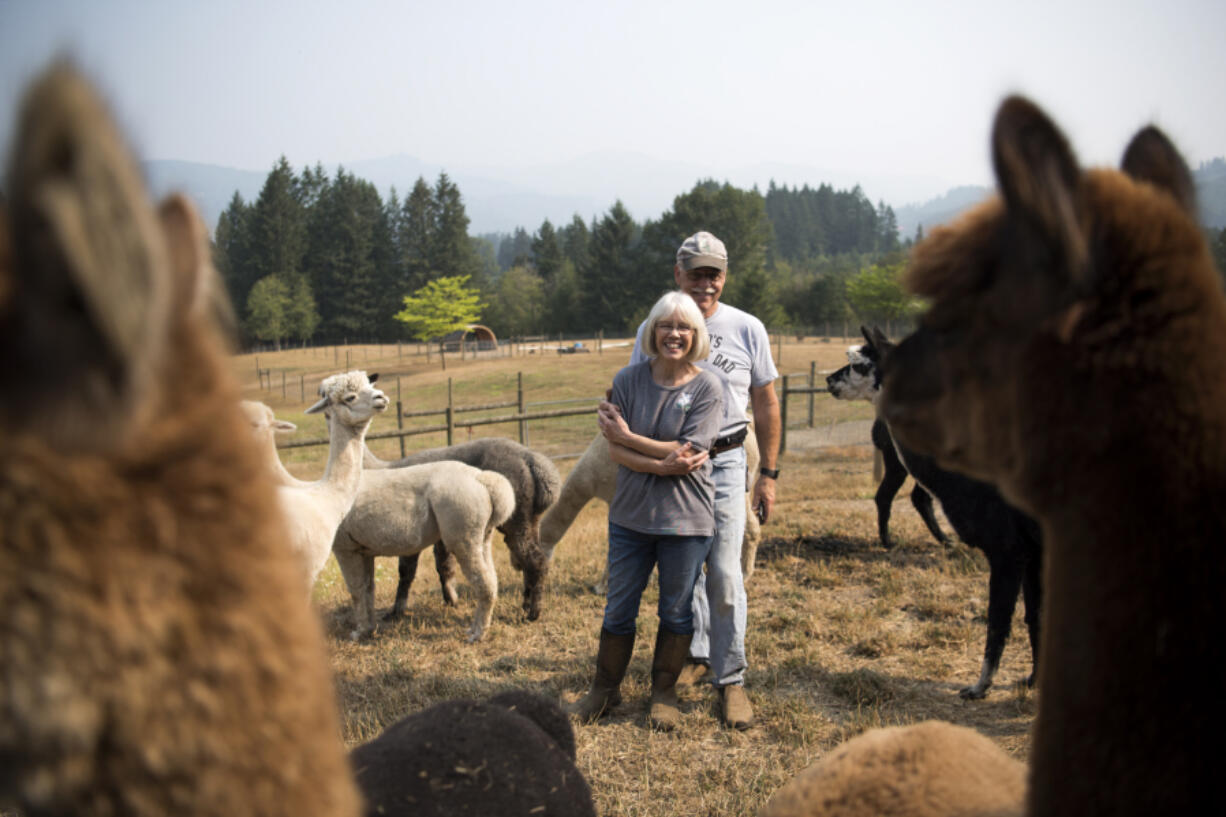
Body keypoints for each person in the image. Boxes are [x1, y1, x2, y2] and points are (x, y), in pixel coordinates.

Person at [611, 230, 780, 730]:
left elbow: (766, 401)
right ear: (678, 273)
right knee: (681, 576)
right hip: (666, 469)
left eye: (714, 274)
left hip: (725, 462)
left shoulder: (747, 328)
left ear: (724, 277)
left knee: (725, 573)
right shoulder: (658, 325)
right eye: (696, 273)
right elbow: (630, 390)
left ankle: (731, 681)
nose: (705, 283)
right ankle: (691, 656)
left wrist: (767, 472)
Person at [566, 291, 724, 731]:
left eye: (684, 327)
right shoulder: (628, 380)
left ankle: (664, 694)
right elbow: (615, 450)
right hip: (630, 518)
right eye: (666, 325)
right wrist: (660, 462)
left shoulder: (709, 386)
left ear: (696, 336)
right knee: (618, 609)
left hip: (687, 521)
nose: (674, 334)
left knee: (675, 611)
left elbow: (690, 449)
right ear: (653, 331)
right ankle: (604, 690)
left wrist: (634, 438)